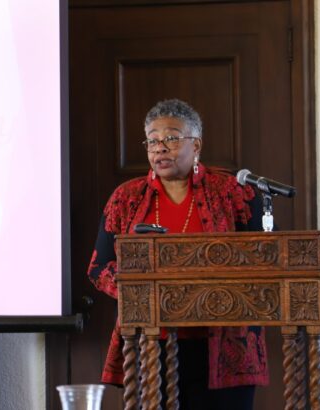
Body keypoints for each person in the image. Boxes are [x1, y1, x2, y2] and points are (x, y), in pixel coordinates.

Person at [87, 99, 268, 410]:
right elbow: (99, 268)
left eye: (171, 138)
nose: (160, 148)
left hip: (225, 346)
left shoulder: (234, 191)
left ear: (196, 144)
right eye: (152, 140)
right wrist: (146, 293)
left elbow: (264, 258)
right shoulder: (126, 197)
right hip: (150, 345)